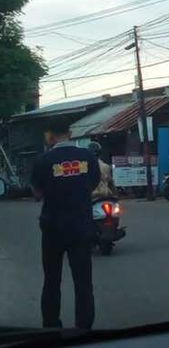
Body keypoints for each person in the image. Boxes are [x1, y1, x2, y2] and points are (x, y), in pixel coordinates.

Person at [31, 121, 100, 330]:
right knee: (83, 283)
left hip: (53, 228)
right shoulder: (88, 157)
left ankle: (52, 327)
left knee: (52, 281)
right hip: (80, 227)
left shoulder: (43, 160)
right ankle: (84, 328)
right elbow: (94, 184)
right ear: (70, 133)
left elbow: (37, 193)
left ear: (50, 136)